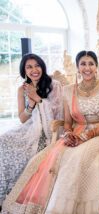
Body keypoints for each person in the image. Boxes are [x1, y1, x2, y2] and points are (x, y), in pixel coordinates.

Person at [2, 50, 99, 214]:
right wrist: (69, 133)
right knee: (51, 156)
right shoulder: (69, 90)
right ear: (77, 68)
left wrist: (85, 136)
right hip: (76, 132)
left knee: (77, 156)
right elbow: (67, 122)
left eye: (91, 64)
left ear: (96, 66)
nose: (87, 68)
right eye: (83, 64)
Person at [0, 53, 63, 209]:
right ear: (24, 71)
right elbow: (22, 118)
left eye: (37, 65)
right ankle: (6, 191)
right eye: (29, 67)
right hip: (29, 128)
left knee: (25, 152)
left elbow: (59, 115)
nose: (34, 70)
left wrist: (39, 99)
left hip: (48, 131)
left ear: (42, 67)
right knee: (3, 140)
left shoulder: (54, 85)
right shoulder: (22, 89)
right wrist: (32, 104)